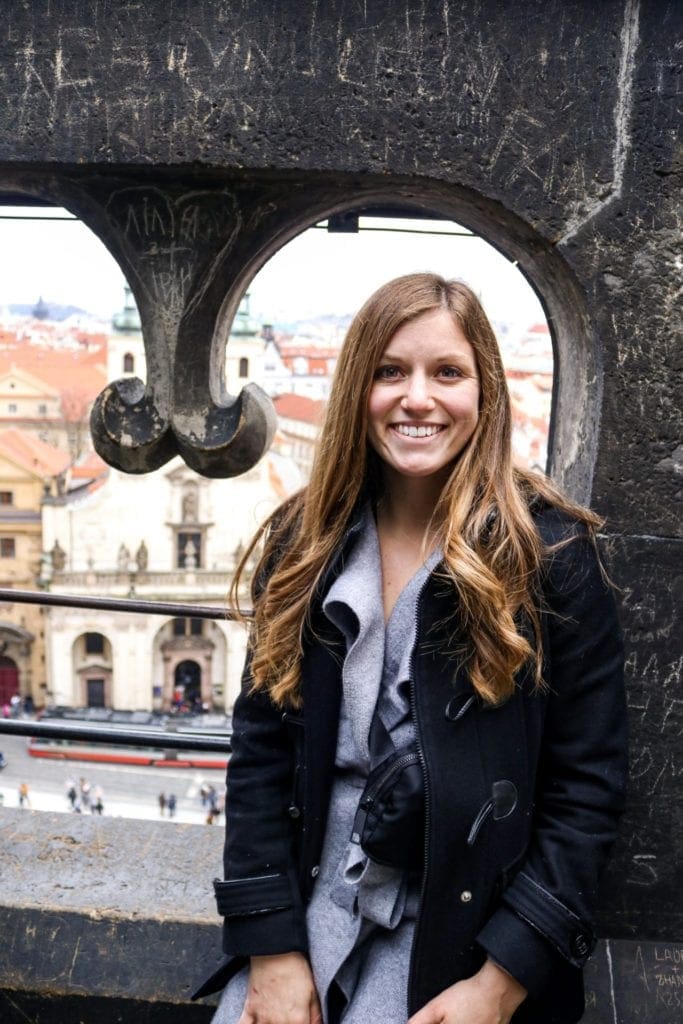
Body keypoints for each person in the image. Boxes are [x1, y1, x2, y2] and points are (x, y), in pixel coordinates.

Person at [195, 274, 627, 1024]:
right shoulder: (304, 545)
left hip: (463, 938)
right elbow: (261, 752)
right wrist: (269, 947)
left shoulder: (549, 557)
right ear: (357, 388)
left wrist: (498, 985)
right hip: (310, 913)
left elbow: (584, 789)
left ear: (485, 394)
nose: (416, 398)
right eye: (389, 371)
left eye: (446, 373)